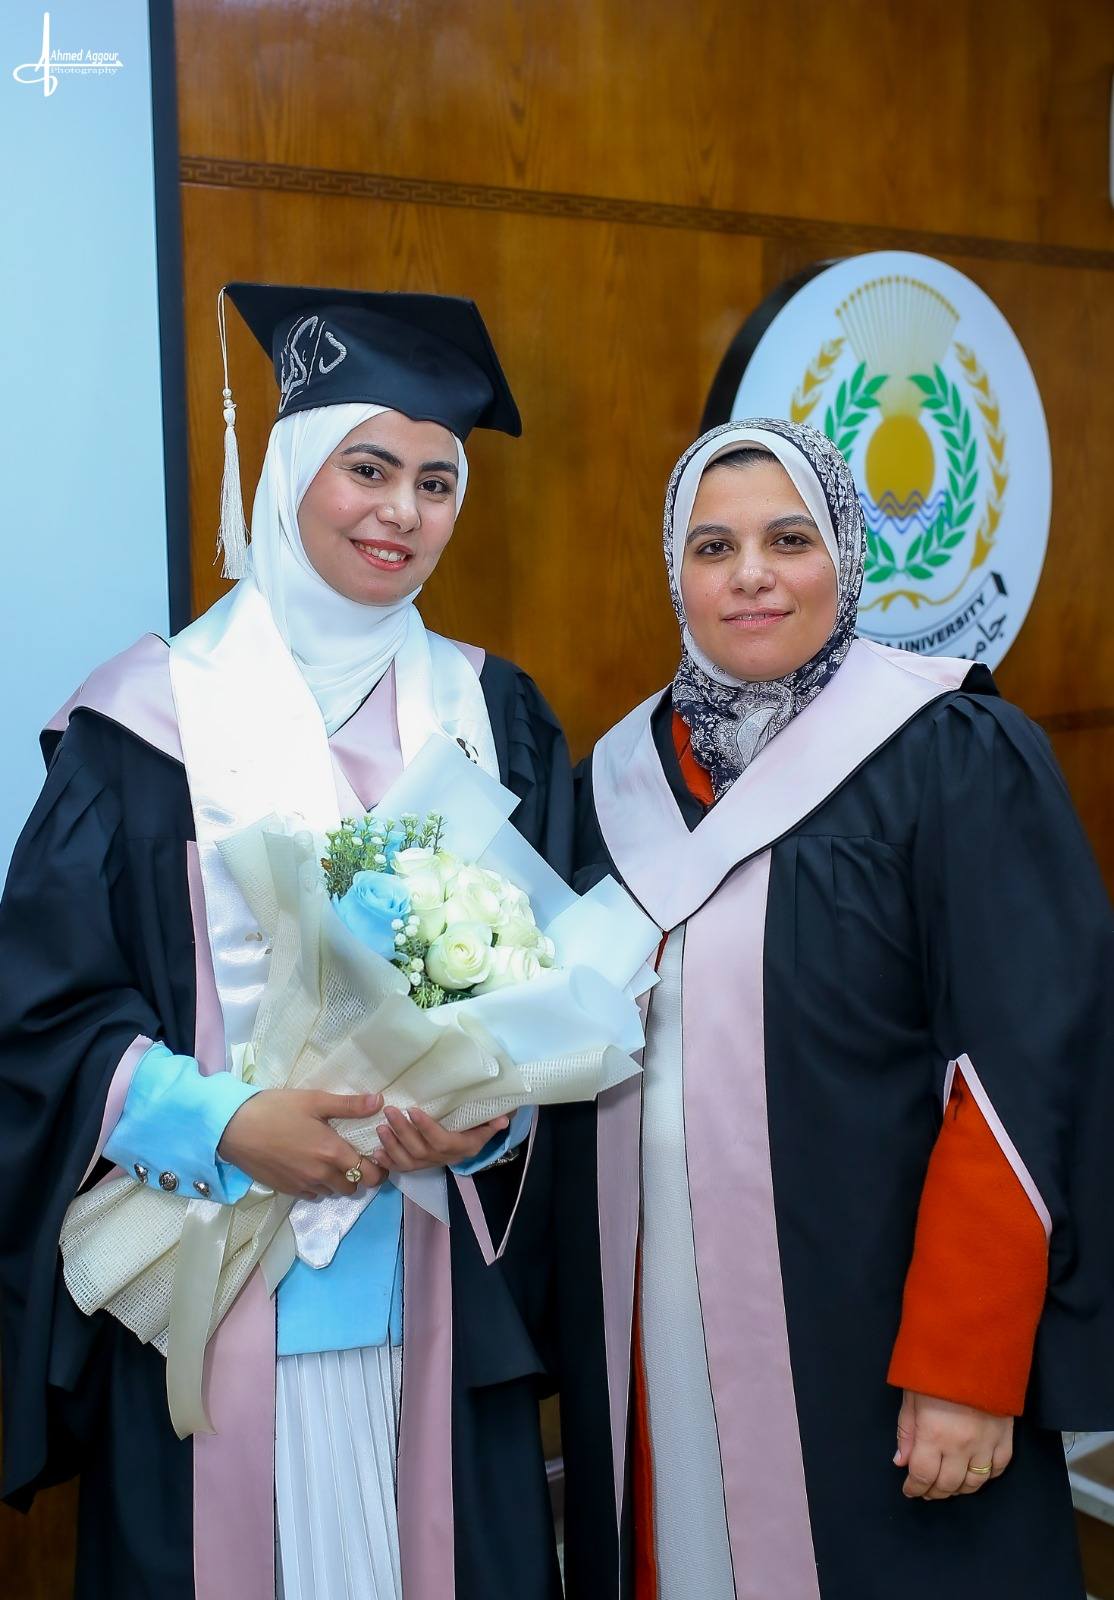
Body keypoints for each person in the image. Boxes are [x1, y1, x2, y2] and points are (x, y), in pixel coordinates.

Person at [0, 283, 574, 1600]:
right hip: (207, 1290)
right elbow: (38, 1014)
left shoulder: (494, 714)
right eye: (366, 468)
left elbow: (556, 992)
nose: (401, 511)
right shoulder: (145, 723)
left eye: (436, 481)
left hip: (433, 1300)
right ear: (290, 471)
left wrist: (486, 1121)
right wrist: (221, 1120)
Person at [569, 417, 1114, 1598]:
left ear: (845, 558)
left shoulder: (950, 751)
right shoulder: (614, 780)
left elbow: (1021, 1076)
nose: (750, 575)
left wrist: (966, 1361)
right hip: (655, 1316)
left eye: (788, 539)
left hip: (879, 1334)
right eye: (713, 547)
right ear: (675, 574)